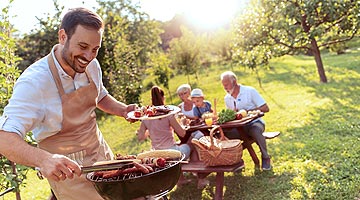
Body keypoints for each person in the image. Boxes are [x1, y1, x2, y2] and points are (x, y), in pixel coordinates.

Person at [0, 8, 137, 199]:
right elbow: (4, 139)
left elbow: (100, 96)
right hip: (68, 173)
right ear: (63, 36)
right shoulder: (34, 82)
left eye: (95, 49)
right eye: (82, 46)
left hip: (102, 157)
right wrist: (44, 159)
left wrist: (124, 110)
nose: (88, 56)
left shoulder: (92, 66)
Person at [136, 86, 208, 189]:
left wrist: (150, 131)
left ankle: (181, 180)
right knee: (192, 143)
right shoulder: (168, 114)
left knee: (179, 145)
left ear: (152, 100)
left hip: (157, 155)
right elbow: (182, 133)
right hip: (172, 153)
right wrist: (181, 124)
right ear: (163, 98)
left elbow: (140, 137)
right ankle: (200, 178)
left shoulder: (146, 118)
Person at [220, 71, 271, 170]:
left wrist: (247, 111)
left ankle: (265, 157)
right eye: (223, 85)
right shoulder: (227, 98)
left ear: (234, 82)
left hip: (255, 123)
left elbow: (265, 108)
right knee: (224, 135)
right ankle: (237, 162)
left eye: (226, 85)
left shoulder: (249, 91)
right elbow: (232, 116)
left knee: (255, 131)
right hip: (239, 127)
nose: (225, 88)